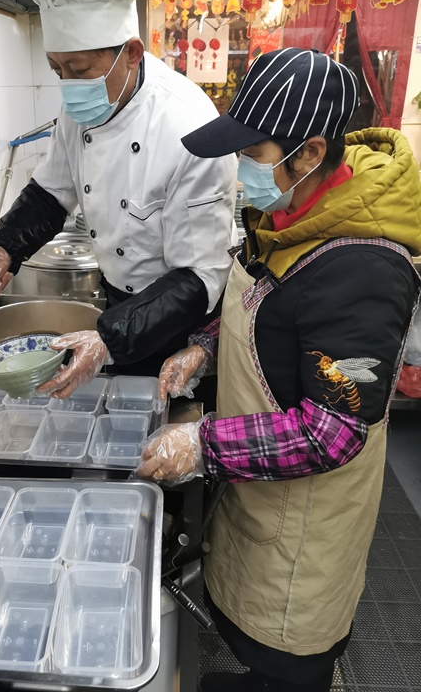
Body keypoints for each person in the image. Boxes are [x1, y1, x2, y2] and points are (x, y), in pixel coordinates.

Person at [138, 48, 421, 692]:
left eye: (252, 152)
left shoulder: (363, 268)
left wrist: (201, 443)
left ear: (311, 152)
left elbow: (333, 431)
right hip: (261, 487)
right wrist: (204, 346)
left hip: (307, 520)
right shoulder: (297, 209)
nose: (242, 170)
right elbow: (266, 304)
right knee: (251, 631)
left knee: (289, 655)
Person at [0, 0, 237, 397]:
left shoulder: (189, 126)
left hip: (178, 319)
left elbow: (199, 277)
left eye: (79, 69)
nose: (69, 87)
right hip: (116, 304)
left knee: (162, 420)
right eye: (58, 70)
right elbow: (51, 192)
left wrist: (110, 338)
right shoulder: (84, 107)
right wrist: (5, 247)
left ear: (131, 52)